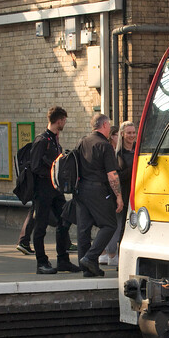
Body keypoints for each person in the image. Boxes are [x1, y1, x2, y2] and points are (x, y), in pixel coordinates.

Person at [30, 106, 81, 275]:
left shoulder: (54, 140)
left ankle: (63, 260)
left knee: (64, 220)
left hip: (55, 190)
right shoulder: (42, 140)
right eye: (64, 120)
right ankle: (41, 262)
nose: (64, 123)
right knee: (41, 226)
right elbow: (35, 166)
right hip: (43, 190)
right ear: (59, 121)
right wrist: (53, 174)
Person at [76, 113, 123, 277]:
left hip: (81, 190)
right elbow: (112, 174)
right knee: (110, 225)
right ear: (104, 125)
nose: (110, 128)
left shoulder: (83, 141)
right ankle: (90, 257)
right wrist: (118, 196)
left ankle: (88, 268)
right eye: (109, 125)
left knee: (84, 228)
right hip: (98, 190)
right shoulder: (104, 145)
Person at [99, 120, 137, 267]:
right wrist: (134, 168)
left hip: (137, 195)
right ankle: (113, 254)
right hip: (123, 195)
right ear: (122, 134)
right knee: (119, 226)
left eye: (133, 132)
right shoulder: (117, 154)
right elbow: (117, 176)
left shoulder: (139, 151)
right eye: (129, 133)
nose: (131, 136)